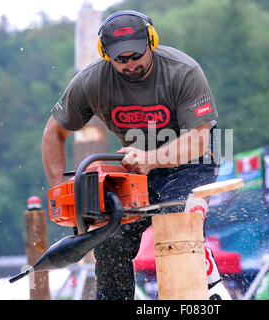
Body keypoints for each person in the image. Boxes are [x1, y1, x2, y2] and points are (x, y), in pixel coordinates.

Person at [42, 10, 230, 300]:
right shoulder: (91, 81)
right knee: (109, 237)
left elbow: (198, 141)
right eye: (121, 59)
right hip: (138, 170)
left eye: (136, 55)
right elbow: (54, 133)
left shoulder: (182, 70)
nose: (130, 64)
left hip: (193, 162)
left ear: (151, 42)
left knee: (175, 217)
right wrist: (60, 191)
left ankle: (208, 289)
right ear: (106, 55)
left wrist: (150, 158)